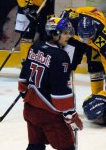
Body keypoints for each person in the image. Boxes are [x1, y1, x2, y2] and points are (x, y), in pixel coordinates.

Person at [18, 17, 83, 150]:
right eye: (65, 33)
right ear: (54, 34)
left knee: (35, 146)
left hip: (30, 109)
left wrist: (27, 95)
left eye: (69, 32)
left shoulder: (35, 46)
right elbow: (59, 91)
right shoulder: (60, 56)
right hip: (49, 114)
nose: (68, 36)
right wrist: (70, 115)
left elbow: (23, 80)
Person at [60, 6, 106, 94]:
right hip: (76, 36)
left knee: (95, 68)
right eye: (84, 38)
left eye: (89, 38)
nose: (86, 41)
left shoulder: (103, 37)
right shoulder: (69, 22)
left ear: (94, 31)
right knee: (67, 64)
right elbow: (65, 12)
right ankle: (62, 88)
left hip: (95, 40)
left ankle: (97, 95)